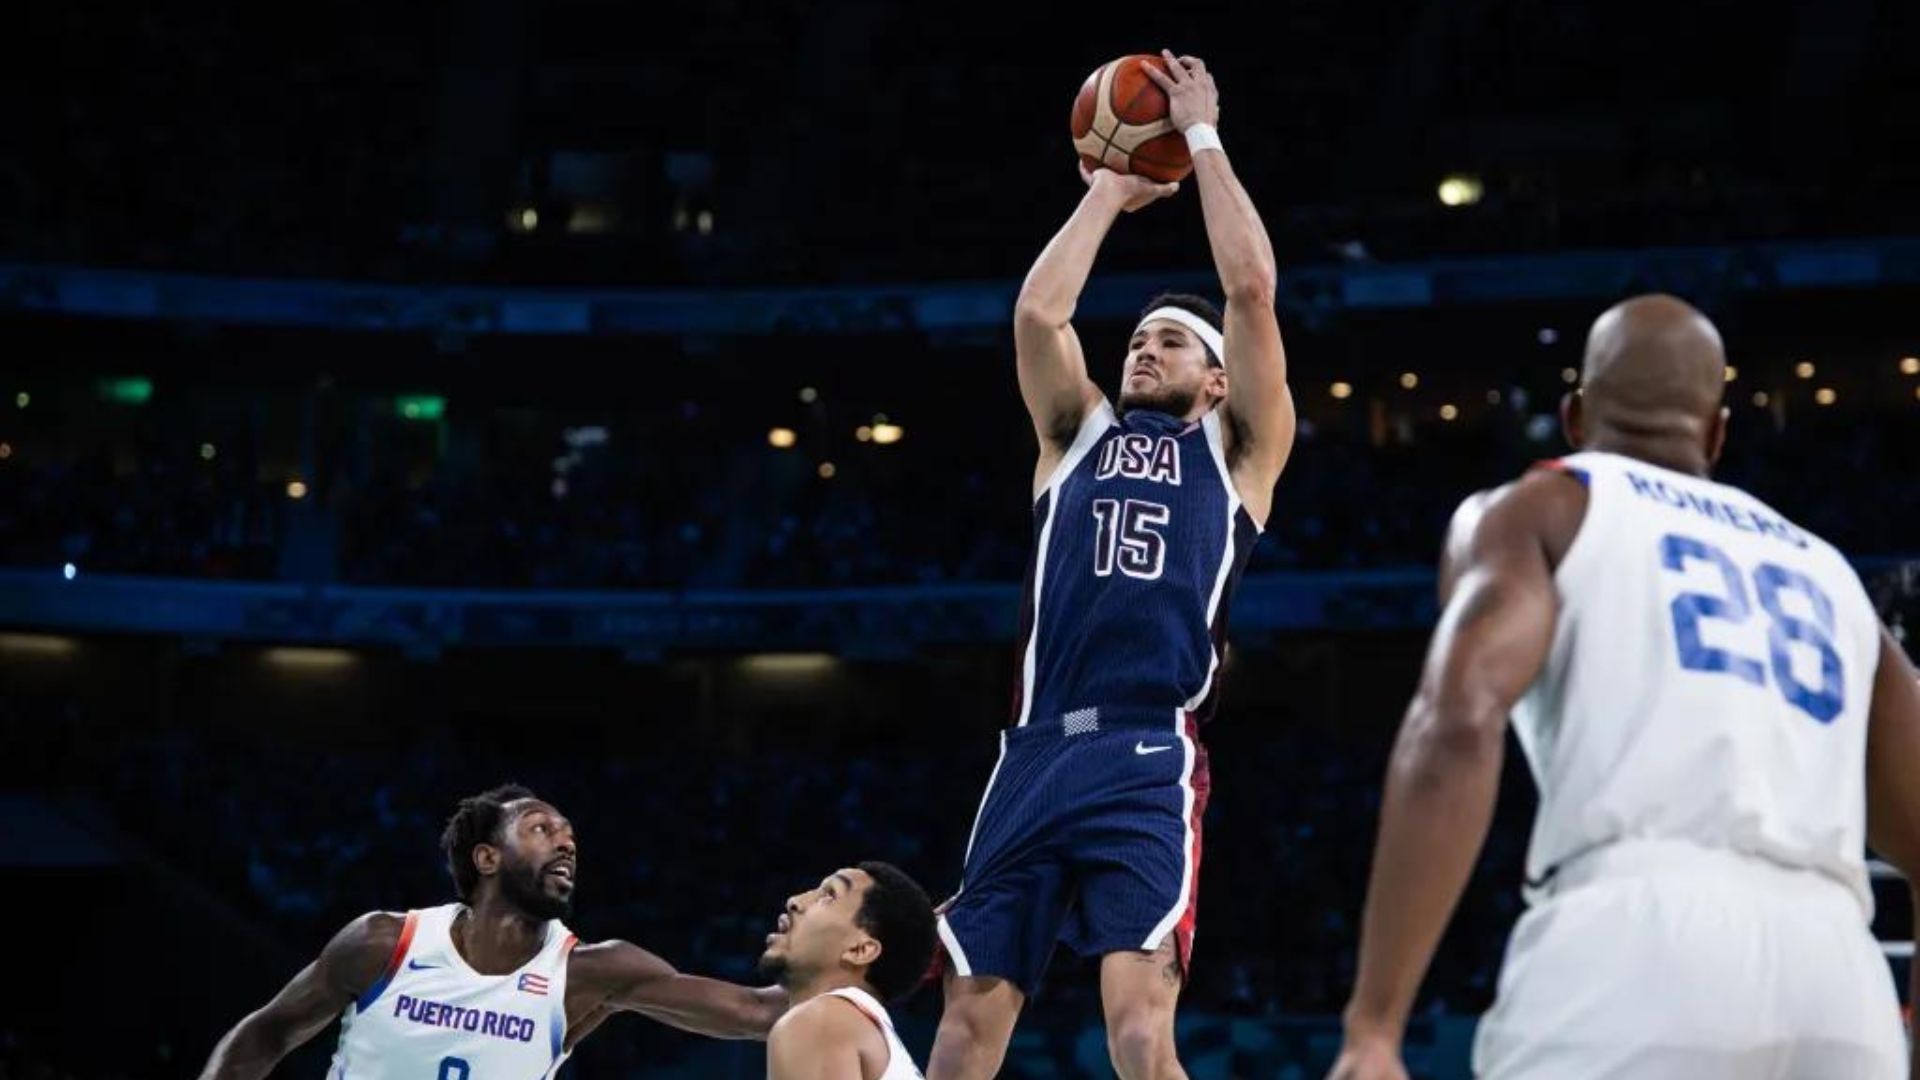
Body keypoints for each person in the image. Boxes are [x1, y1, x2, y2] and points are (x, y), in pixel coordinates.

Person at [1330, 294, 1920, 1079]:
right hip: (1840, 980)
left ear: (1575, 418)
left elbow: (1459, 720)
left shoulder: (1542, 507)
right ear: (1716, 433)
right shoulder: (1832, 575)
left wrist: (1375, 1024)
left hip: (1638, 945)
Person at [928, 50, 1297, 1080]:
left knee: (1138, 1033)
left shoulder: (1239, 455)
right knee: (963, 1030)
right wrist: (1108, 191)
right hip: (1034, 750)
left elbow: (1252, 290)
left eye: (1171, 344)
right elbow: (1038, 317)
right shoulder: (1074, 436)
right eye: (1138, 339)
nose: (1144, 350)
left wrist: (1203, 137)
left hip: (1146, 752)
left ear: (1218, 382)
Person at [199, 784, 786, 1079]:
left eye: (569, 834)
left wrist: (835, 961)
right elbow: (269, 1030)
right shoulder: (383, 943)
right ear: (487, 858)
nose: (566, 842)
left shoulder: (587, 972)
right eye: (541, 828)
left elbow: (755, 1014)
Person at [761, 863, 939, 1080]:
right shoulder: (862, 1031)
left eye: (829, 895)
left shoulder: (821, 1021)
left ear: (859, 950)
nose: (794, 901)